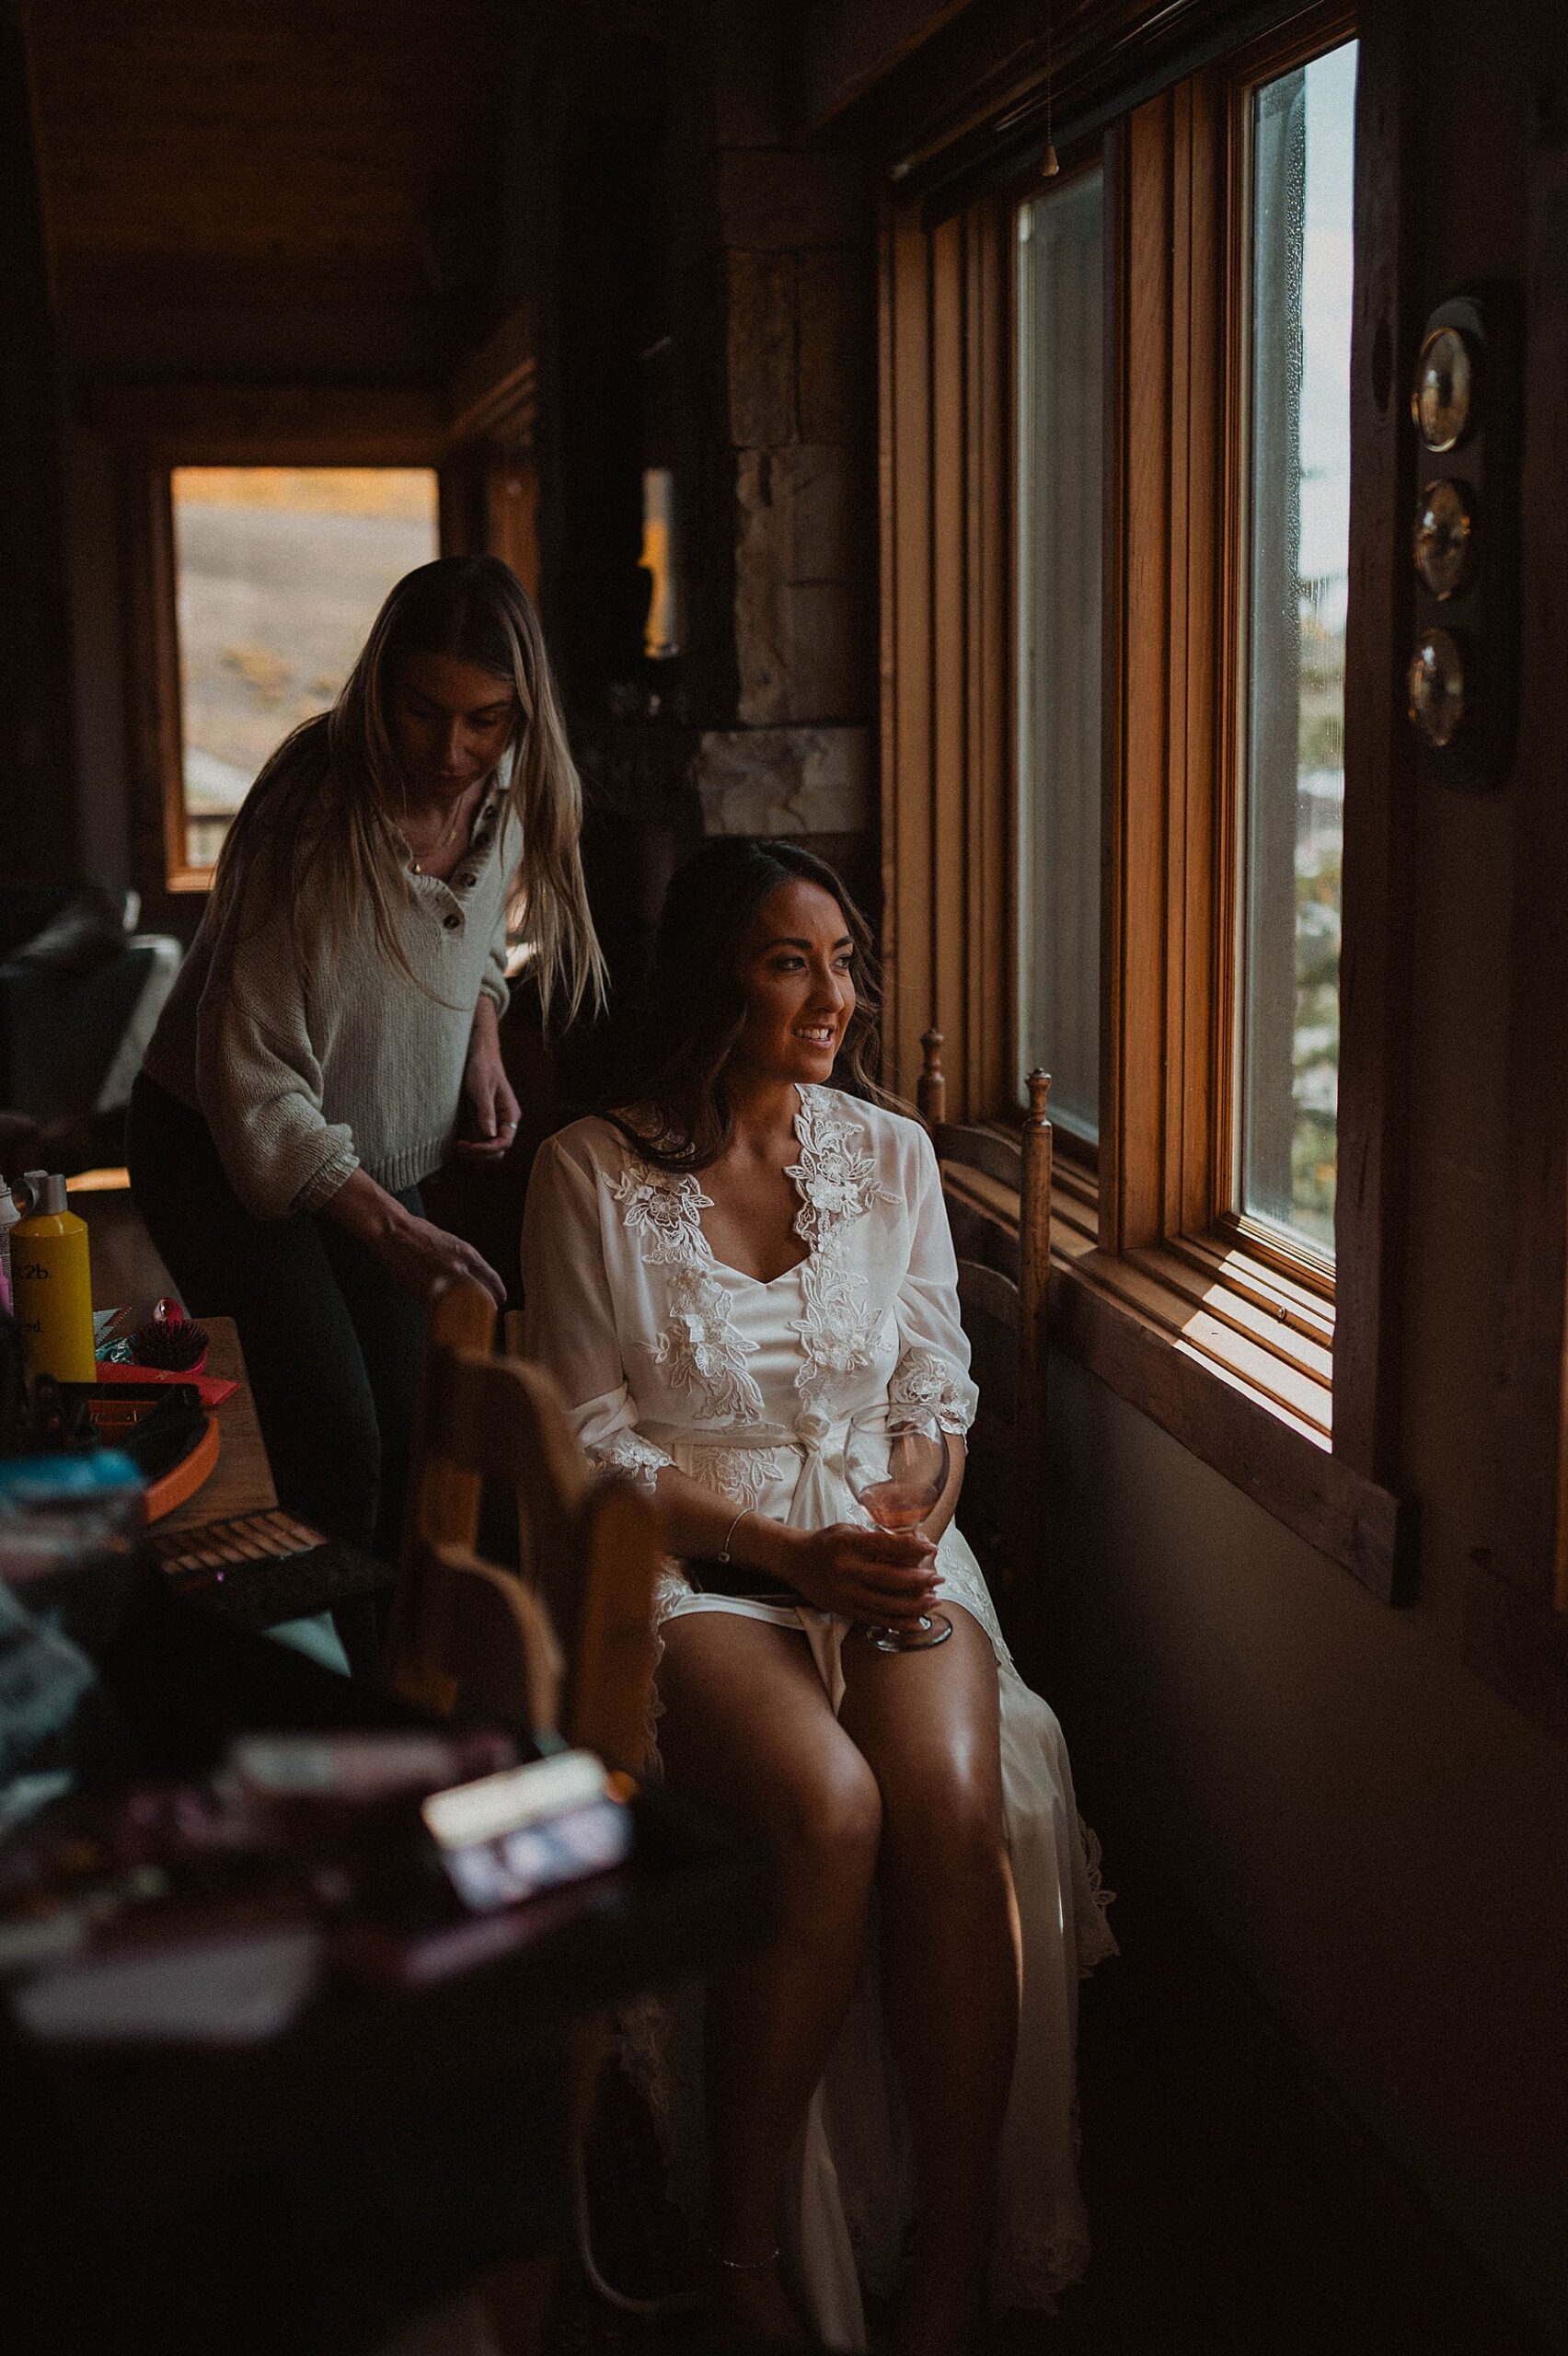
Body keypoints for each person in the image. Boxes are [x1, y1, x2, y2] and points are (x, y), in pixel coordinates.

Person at [520, 838, 1113, 2355]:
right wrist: (783, 1558)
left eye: (845, 961)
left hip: (875, 1533)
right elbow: (588, 1448)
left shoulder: (893, 1154)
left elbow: (934, 1376)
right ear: (716, 970)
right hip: (686, 1559)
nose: (834, 995)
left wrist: (913, 1510)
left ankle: (952, 2247)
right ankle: (733, 2247)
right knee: (827, 1807)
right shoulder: (588, 1169)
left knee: (950, 1802)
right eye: (795, 961)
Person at [128, 557, 605, 1654]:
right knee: (337, 1437)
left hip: (367, 1150)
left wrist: (480, 1032)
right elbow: (250, 1084)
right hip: (218, 1142)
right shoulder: (314, 810)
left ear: (521, 715)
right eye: (424, 711)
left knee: (414, 1428)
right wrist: (393, 1227)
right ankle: (307, 1694)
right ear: (378, 685)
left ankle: (396, 1688)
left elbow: (483, 931)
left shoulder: (511, 784)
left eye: (485, 721)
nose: (452, 752)